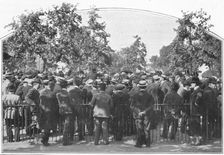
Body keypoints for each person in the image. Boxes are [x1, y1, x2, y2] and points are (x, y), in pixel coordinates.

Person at [130, 80, 154, 148]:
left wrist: (138, 112)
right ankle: (147, 143)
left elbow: (131, 106)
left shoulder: (135, 95)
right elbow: (151, 106)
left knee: (139, 129)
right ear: (145, 87)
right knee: (147, 129)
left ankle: (139, 143)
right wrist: (145, 111)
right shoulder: (149, 95)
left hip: (138, 115)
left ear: (139, 87)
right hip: (147, 114)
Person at [39, 79, 59, 146]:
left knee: (47, 127)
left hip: (46, 111)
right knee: (47, 127)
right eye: (52, 85)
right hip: (48, 112)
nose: (53, 87)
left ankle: (44, 139)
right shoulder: (49, 93)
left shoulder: (43, 91)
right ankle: (44, 140)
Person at [56, 79, 73, 145]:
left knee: (62, 125)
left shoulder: (58, 94)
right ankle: (65, 141)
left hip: (61, 110)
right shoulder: (69, 93)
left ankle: (63, 139)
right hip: (68, 110)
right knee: (67, 126)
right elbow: (71, 102)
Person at [67, 76, 84, 141]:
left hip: (71, 107)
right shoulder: (80, 90)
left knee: (71, 122)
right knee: (80, 122)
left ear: (74, 83)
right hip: (79, 107)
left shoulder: (70, 91)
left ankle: (71, 136)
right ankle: (81, 136)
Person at [188, 77, 203, 145]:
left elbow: (199, 98)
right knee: (194, 125)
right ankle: (197, 140)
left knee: (196, 125)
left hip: (196, 111)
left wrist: (196, 102)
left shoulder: (199, 90)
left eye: (192, 83)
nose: (191, 84)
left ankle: (198, 140)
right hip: (193, 111)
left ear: (195, 83)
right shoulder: (194, 90)